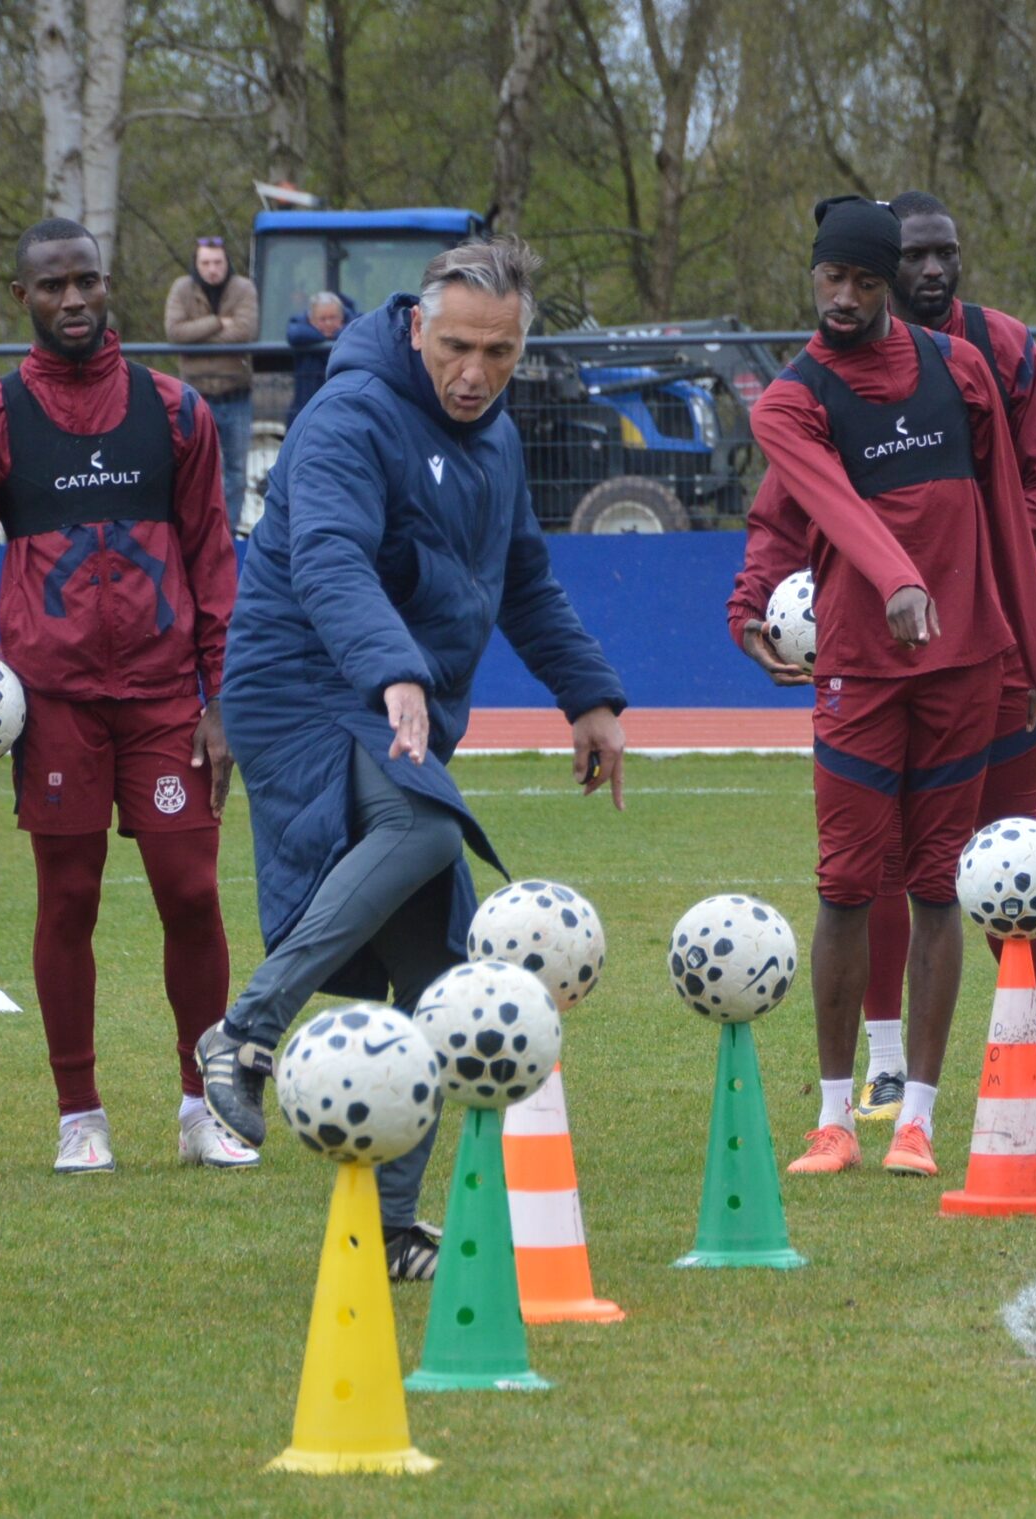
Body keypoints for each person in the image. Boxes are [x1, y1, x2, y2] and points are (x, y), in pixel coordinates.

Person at [195, 238, 627, 1281]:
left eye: (499, 352)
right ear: (416, 328)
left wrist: (591, 696)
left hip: (389, 694)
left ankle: (390, 1227)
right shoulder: (351, 414)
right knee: (424, 823)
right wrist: (394, 671)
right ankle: (243, 1031)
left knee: (439, 975)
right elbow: (332, 556)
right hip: (302, 682)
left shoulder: (498, 440)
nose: (474, 373)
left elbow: (524, 578)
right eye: (456, 346)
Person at [0, 218, 248, 1176]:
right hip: (52, 708)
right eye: (52, 287)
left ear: (108, 284)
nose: (73, 300)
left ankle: (204, 1104)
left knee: (192, 891)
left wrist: (225, 694)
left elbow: (214, 564)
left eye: (86, 282)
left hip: (167, 698)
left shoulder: (176, 414)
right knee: (67, 897)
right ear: (23, 299)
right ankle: (78, 1113)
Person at [731, 189, 1036, 1126]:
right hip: (865, 658)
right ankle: (866, 1082)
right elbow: (803, 507)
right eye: (831, 276)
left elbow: (1022, 508)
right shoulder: (793, 397)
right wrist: (764, 603)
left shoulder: (983, 361)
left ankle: (1020, 1062)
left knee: (984, 861)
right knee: (863, 874)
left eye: (867, 277)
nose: (847, 295)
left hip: (983, 655)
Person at [164, 236, 258, 530]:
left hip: (236, 393)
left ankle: (226, 533)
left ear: (227, 262)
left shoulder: (243, 288)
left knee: (236, 471)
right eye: (206, 262)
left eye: (218, 262)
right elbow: (175, 332)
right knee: (192, 469)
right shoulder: (182, 288)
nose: (212, 269)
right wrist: (219, 322)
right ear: (197, 264)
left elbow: (245, 331)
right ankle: (193, 531)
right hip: (194, 394)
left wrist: (200, 335)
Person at [286, 290, 355, 415]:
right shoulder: (298, 324)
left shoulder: (355, 323)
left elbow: (355, 329)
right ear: (311, 319)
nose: (328, 323)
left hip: (344, 404)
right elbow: (294, 334)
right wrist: (331, 338)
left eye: (333, 318)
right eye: (322, 319)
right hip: (307, 405)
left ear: (342, 317)